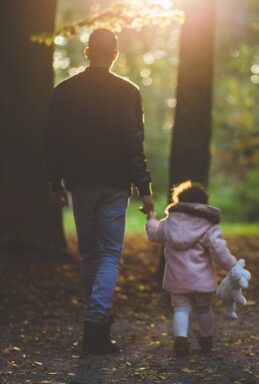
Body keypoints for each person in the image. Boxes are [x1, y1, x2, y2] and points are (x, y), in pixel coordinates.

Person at [45, 29, 154, 354]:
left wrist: (55, 183)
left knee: (91, 255)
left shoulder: (65, 91)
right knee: (108, 255)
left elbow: (53, 140)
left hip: (80, 183)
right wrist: (144, 187)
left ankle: (98, 325)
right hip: (115, 184)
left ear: (87, 51)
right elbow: (135, 143)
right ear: (115, 53)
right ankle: (96, 326)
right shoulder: (127, 92)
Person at [145, 181, 237, 357]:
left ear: (179, 201)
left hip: (177, 278)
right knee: (204, 309)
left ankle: (181, 340)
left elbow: (154, 234)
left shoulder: (169, 222)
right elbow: (219, 251)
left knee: (180, 309)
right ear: (204, 203)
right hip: (202, 280)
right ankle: (206, 339)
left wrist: (151, 218)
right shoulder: (209, 225)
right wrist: (232, 266)